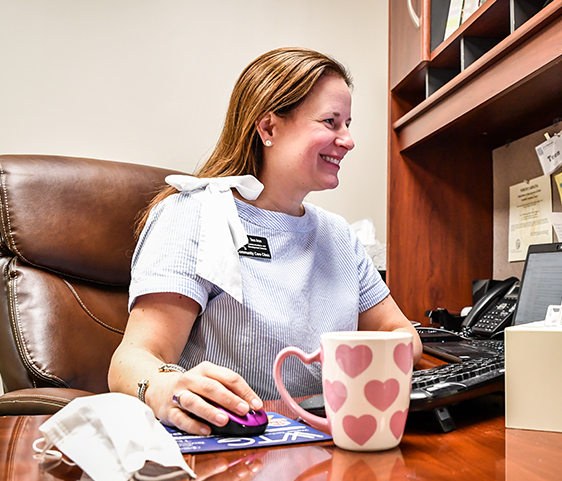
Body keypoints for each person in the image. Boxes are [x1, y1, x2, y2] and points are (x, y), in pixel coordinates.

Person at [108, 47, 422, 436]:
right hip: (233, 444)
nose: (348, 140)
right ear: (268, 128)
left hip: (333, 442)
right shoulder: (194, 214)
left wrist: (360, 360)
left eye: (348, 123)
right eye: (331, 122)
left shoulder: (338, 234)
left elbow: (400, 334)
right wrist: (165, 388)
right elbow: (134, 358)